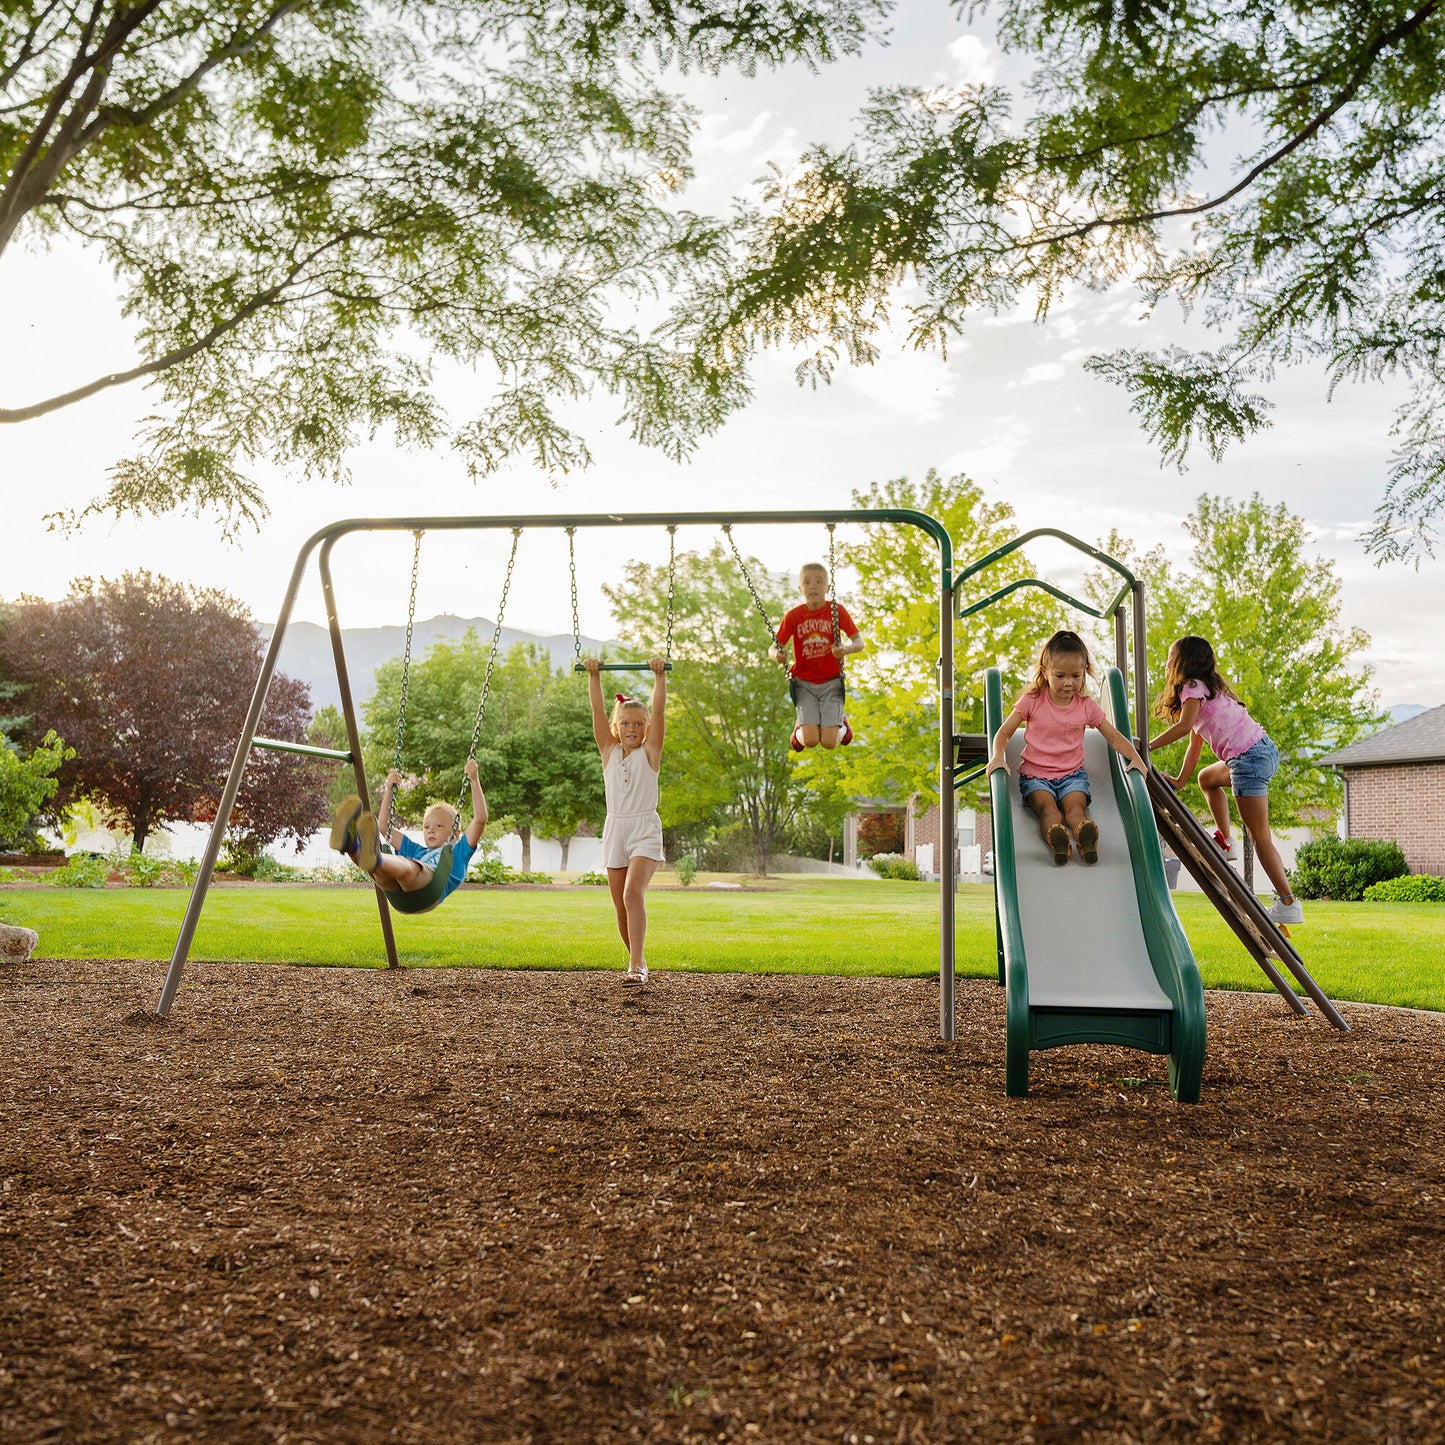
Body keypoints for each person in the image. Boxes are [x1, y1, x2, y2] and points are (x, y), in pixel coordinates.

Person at [1149, 635, 1302, 924]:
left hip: (1248, 760)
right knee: (1207, 778)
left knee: (1260, 837)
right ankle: (1227, 842)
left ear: (1184, 661)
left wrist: (1146, 746)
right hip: (1262, 750)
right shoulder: (1205, 691)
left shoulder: (1191, 688)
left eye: (1171, 657)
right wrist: (1181, 780)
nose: (1167, 663)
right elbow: (1194, 743)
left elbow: (1182, 729)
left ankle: (1288, 903)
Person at [986, 630, 1147, 865]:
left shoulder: (1086, 706)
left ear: (1084, 674)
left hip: (1073, 777)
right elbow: (1004, 732)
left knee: (1076, 811)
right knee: (1050, 811)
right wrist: (998, 756)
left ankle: (1084, 835)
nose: (1069, 682)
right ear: (1045, 672)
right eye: (1060, 675)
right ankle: (1057, 839)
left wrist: (1136, 758)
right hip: (1035, 777)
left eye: (1076, 675)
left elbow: (1113, 736)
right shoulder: (1032, 700)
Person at [585, 657, 666, 985]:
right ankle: (639, 958)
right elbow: (597, 713)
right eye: (626, 724)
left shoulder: (651, 753)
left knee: (633, 894)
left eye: (638, 724)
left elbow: (659, 712)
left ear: (645, 729)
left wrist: (659, 677)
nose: (632, 729)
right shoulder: (608, 750)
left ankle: (636, 967)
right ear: (617, 728)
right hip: (616, 828)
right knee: (620, 905)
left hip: (644, 828)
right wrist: (594, 676)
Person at [329, 758, 488, 901]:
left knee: (411, 869)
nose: (431, 830)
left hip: (429, 892)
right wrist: (389, 790)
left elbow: (480, 820)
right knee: (379, 874)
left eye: (438, 826)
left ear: (456, 833)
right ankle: (350, 845)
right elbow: (384, 828)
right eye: (426, 827)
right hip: (399, 896)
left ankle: (374, 855)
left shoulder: (460, 851)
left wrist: (474, 780)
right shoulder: (416, 851)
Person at [769, 562, 865, 751]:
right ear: (800, 589)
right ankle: (800, 728)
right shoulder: (794, 616)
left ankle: (843, 727)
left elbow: (859, 643)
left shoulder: (837, 611)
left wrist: (845, 649)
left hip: (832, 681)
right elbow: (773, 648)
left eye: (819, 581)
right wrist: (777, 655)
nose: (813, 586)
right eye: (807, 582)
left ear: (828, 587)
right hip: (804, 683)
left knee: (829, 743)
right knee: (811, 740)